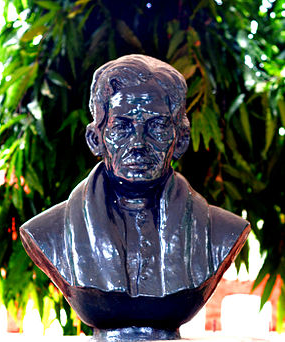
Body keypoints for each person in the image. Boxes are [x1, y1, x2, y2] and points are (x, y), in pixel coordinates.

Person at [20, 55, 250, 341]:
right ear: (96, 139)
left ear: (180, 139)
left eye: (157, 126)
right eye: (121, 127)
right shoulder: (48, 232)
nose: (138, 144)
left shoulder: (222, 231)